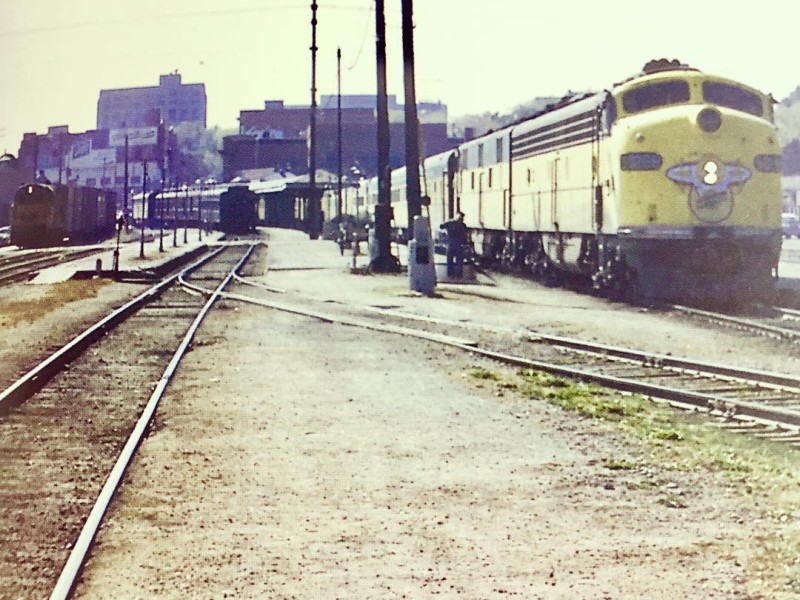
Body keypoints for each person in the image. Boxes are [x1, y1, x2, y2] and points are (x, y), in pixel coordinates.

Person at [440, 211, 469, 278]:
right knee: (459, 260)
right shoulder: (463, 225)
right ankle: (459, 275)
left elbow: (441, 226)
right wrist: (465, 243)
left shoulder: (450, 223)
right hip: (459, 245)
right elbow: (465, 235)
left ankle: (450, 274)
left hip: (451, 244)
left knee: (450, 260)